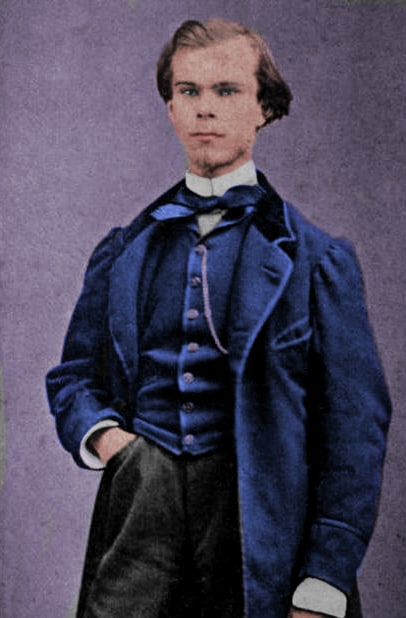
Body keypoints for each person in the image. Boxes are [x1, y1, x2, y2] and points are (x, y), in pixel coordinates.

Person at [46, 18, 391, 618]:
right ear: (171, 109)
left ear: (264, 108)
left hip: (263, 530)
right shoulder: (122, 252)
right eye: (189, 91)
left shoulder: (317, 261)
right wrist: (112, 444)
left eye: (226, 90)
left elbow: (355, 429)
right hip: (140, 527)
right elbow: (73, 377)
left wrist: (325, 578)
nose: (205, 108)